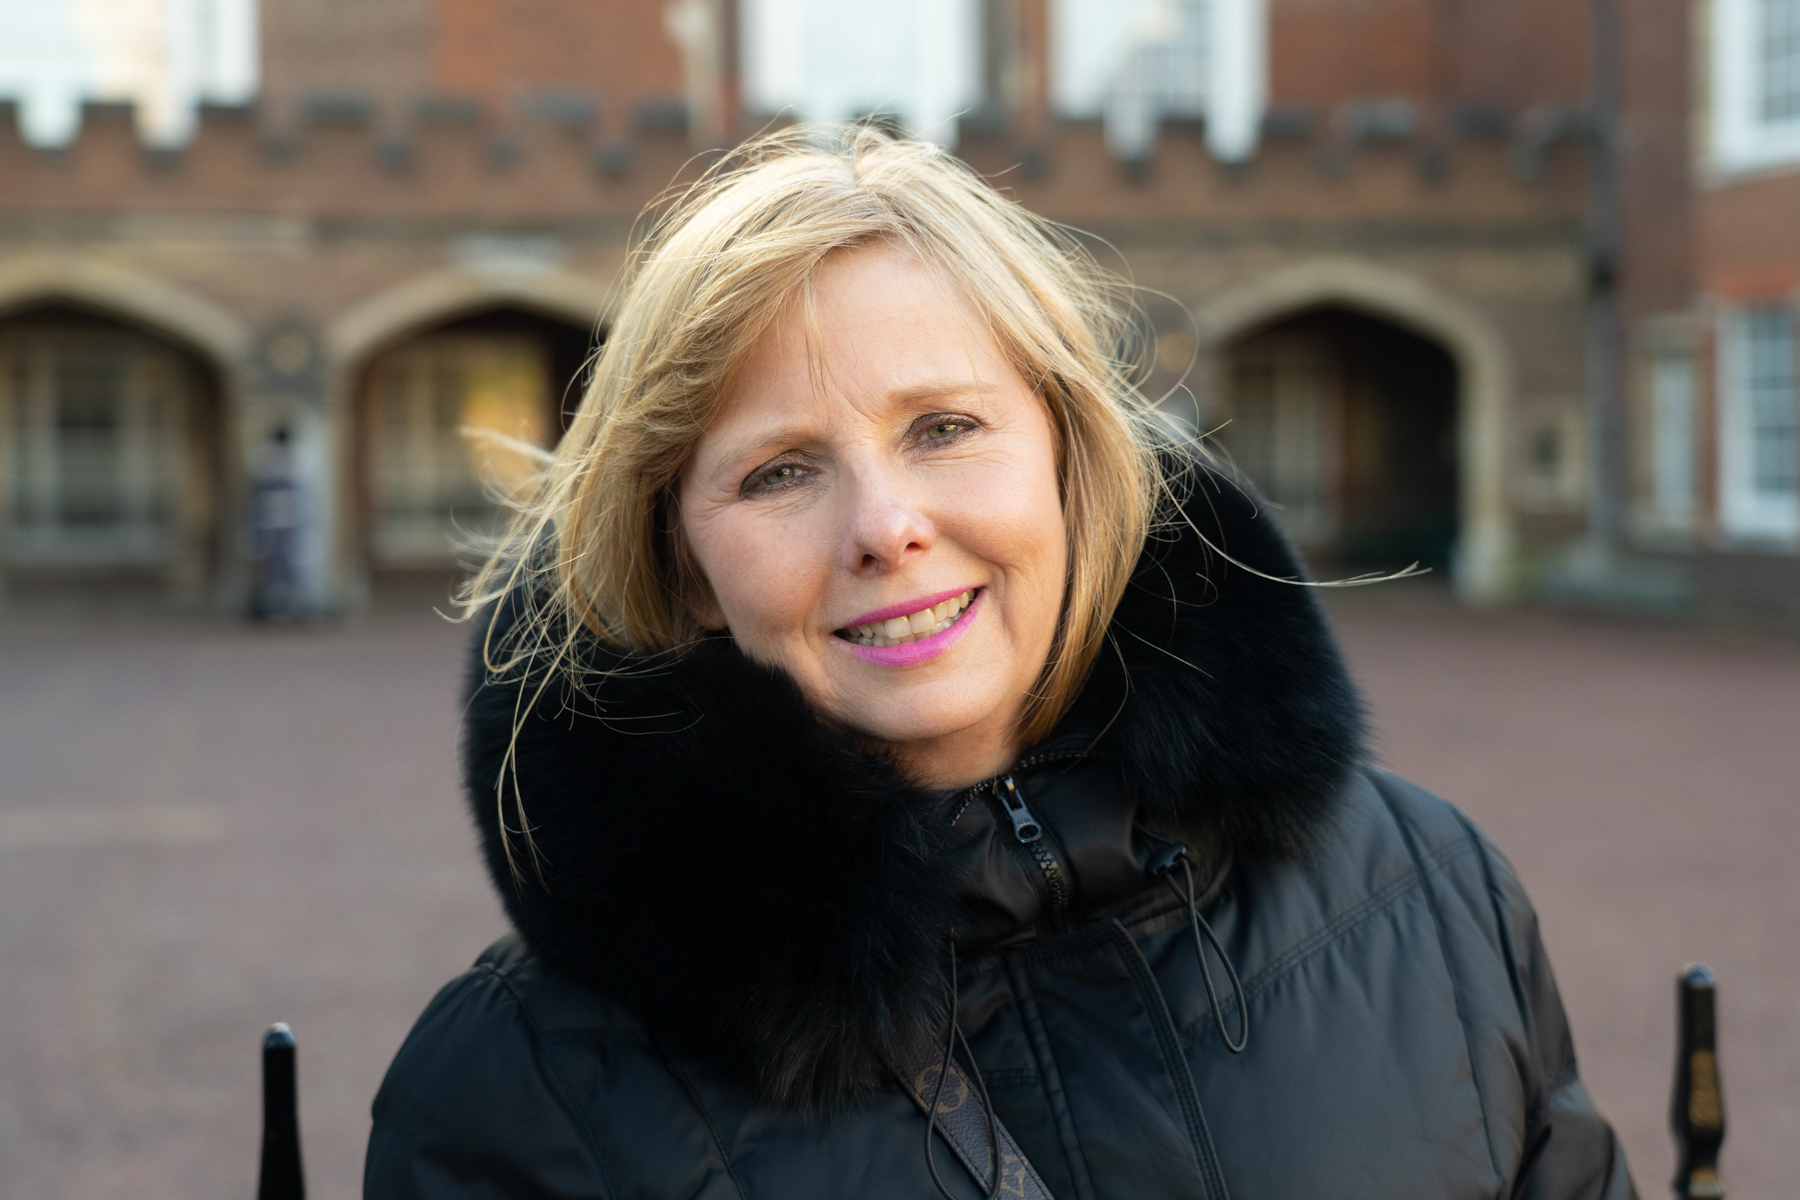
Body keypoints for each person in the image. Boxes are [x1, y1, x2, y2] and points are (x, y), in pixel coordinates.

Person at [365, 128, 1635, 1200]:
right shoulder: (515, 1100)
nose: (885, 528)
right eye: (781, 472)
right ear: (687, 564)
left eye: (944, 427)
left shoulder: (1433, 893)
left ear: (1068, 460)